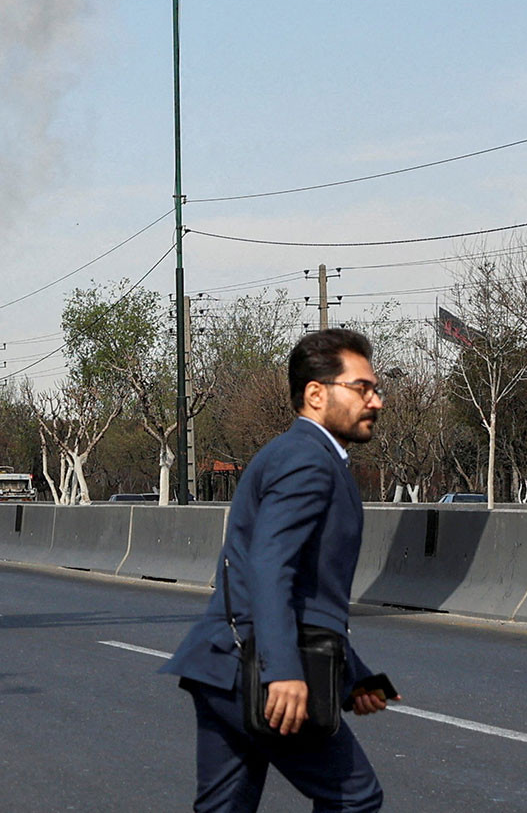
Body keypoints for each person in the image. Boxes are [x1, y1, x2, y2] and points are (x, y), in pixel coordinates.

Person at [161, 329, 398, 811]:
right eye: (361, 388)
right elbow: (270, 565)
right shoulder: (308, 460)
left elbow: (306, 595)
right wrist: (284, 671)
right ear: (316, 394)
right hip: (256, 668)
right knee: (354, 797)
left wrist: (354, 678)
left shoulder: (295, 453)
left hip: (222, 664)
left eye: (376, 389)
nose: (375, 401)